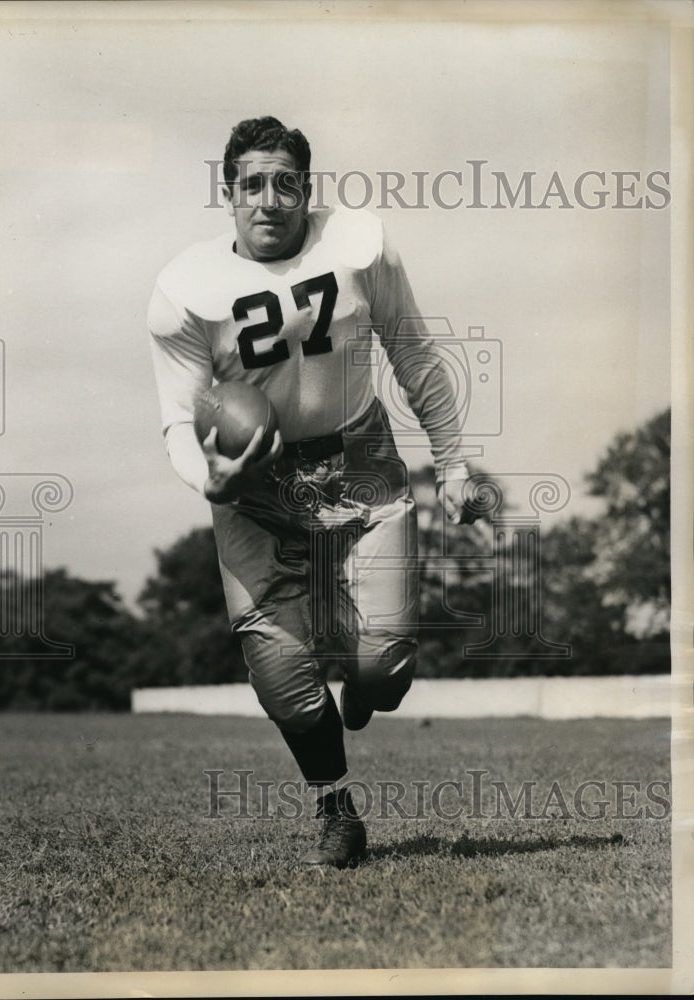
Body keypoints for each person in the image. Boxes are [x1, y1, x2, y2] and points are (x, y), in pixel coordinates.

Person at [148, 116, 477, 868]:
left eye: (285, 182)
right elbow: (175, 417)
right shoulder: (183, 292)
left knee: (385, 670)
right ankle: (335, 808)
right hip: (255, 488)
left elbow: (415, 353)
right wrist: (210, 476)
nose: (270, 199)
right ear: (228, 194)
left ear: (307, 189)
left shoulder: (358, 247)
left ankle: (363, 688)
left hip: (359, 458)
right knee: (283, 677)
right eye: (252, 184)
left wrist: (452, 463)